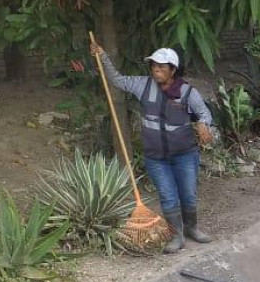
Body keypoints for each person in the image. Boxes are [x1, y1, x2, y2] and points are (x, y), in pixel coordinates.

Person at [90, 40, 216, 253]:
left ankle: (192, 228)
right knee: (167, 196)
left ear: (173, 70)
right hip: (156, 157)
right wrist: (102, 56)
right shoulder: (143, 85)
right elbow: (117, 80)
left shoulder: (187, 92)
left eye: (161, 67)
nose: (156, 71)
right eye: (154, 67)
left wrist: (204, 124)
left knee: (188, 194)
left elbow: (204, 113)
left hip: (185, 154)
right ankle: (176, 236)